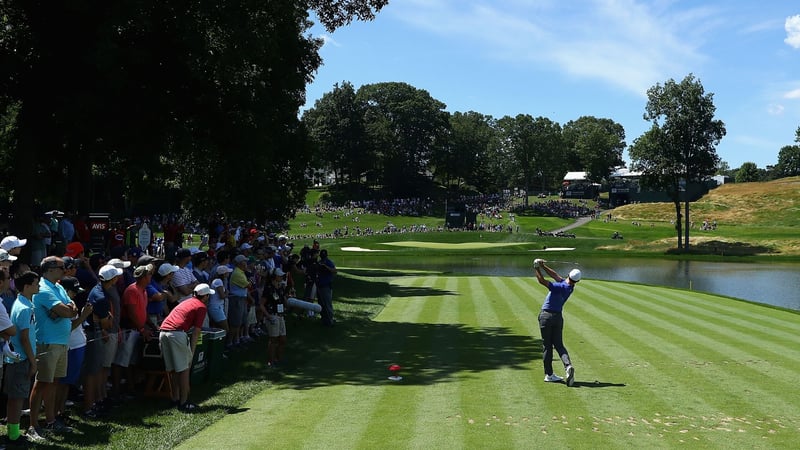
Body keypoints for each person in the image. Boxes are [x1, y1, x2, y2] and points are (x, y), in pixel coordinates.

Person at [30, 256, 78, 434]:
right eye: (61, 267)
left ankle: (50, 421)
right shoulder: (42, 288)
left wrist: (66, 310)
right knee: (41, 383)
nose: (65, 270)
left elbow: (72, 307)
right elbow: (67, 310)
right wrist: (66, 310)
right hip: (47, 343)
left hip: (60, 342)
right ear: (49, 269)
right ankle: (33, 426)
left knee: (53, 383)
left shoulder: (58, 286)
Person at [158, 283, 211, 412]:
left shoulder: (187, 301)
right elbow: (196, 332)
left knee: (174, 370)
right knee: (184, 369)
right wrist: (191, 352)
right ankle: (184, 402)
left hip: (163, 332)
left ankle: (175, 399)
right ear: (205, 296)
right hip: (176, 334)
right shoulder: (201, 306)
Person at [5, 271, 41, 444]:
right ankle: (13, 435)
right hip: (20, 360)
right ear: (27, 287)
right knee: (17, 399)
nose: (38, 286)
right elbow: (24, 337)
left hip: (20, 358)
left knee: (17, 397)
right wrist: (33, 362)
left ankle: (13, 432)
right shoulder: (24, 308)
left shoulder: (24, 303)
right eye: (36, 283)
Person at [533, 258, 580, 387]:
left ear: (568, 275)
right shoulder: (569, 287)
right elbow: (554, 275)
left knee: (547, 346)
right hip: (558, 317)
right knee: (559, 345)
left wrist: (536, 267)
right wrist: (543, 265)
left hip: (546, 316)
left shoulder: (559, 286)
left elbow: (542, 281)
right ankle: (568, 366)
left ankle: (549, 375)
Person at [260, 268, 287, 367]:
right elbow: (262, 304)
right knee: (273, 340)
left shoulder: (281, 287)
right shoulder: (269, 288)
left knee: (283, 339)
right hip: (272, 316)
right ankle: (271, 361)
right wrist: (268, 316)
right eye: (279, 275)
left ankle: (279, 359)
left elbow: (283, 300)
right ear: (274, 276)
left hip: (281, 315)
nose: (281, 277)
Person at [316, 249, 337, 327]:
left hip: (326, 286)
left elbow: (334, 271)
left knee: (327, 303)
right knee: (321, 303)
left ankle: (330, 320)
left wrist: (326, 267)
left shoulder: (329, 262)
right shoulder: (319, 262)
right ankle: (323, 318)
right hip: (319, 285)